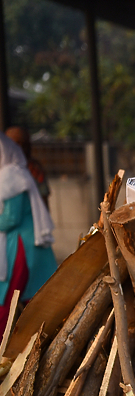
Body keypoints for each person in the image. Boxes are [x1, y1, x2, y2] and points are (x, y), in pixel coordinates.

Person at [0, 133, 57, 330]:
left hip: (21, 245)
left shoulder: (10, 176)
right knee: (37, 297)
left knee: (10, 294)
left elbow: (10, 217)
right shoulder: (19, 172)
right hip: (27, 241)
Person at [5, 126, 50, 210]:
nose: (20, 148)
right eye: (17, 143)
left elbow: (43, 200)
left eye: (24, 144)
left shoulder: (34, 169)